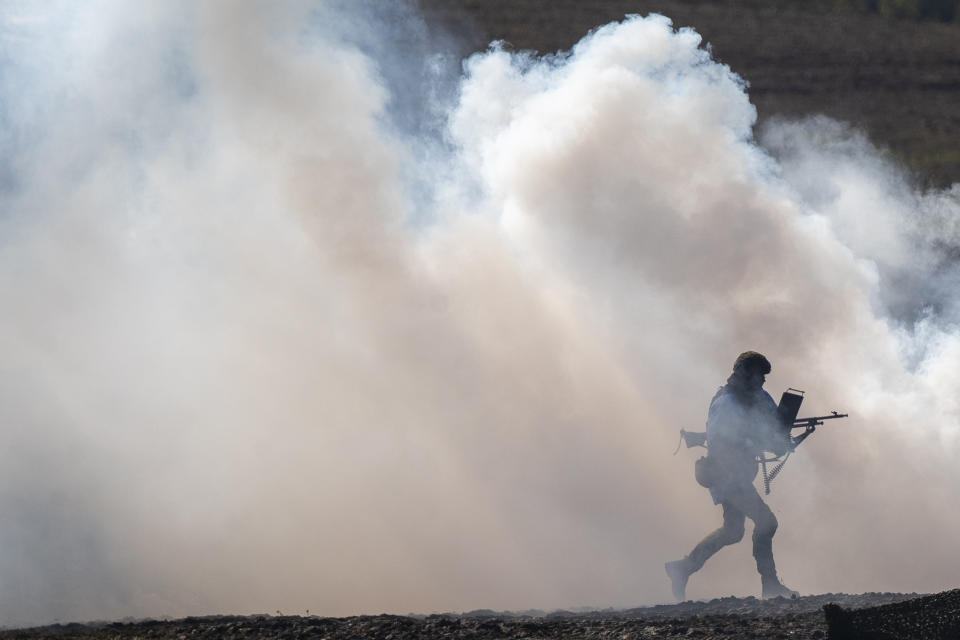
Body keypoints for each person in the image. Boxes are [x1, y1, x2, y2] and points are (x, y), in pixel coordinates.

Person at [665, 351, 799, 601]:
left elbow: (772, 430)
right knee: (767, 522)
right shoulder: (726, 404)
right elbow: (722, 444)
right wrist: (757, 442)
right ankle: (770, 585)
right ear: (745, 374)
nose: (763, 382)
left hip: (739, 476)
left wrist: (781, 440)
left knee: (733, 530)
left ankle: (682, 568)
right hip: (727, 476)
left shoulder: (758, 397)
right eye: (759, 376)